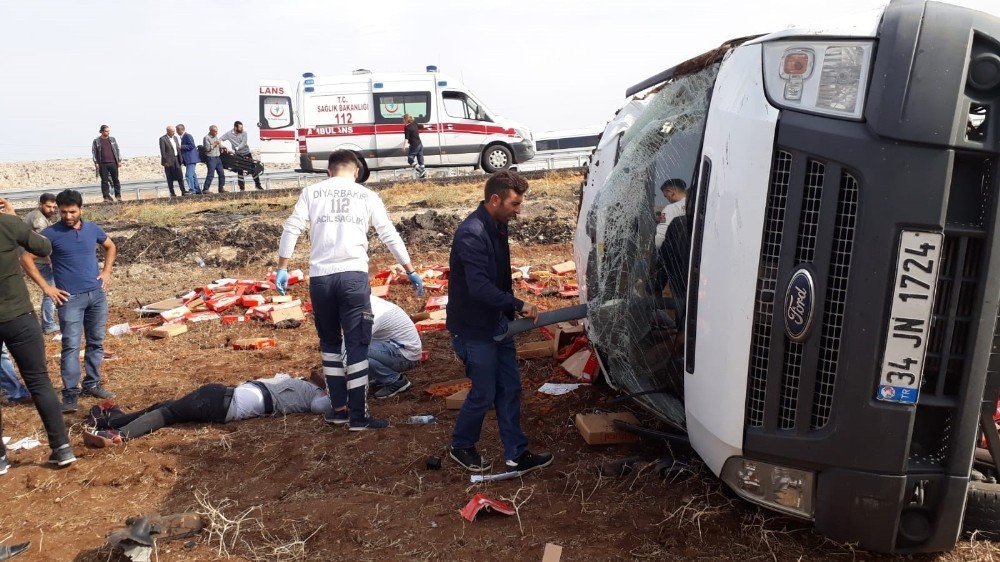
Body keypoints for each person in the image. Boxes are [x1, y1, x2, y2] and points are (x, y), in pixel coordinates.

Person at [276, 150, 424, 430]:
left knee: (331, 346)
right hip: (353, 277)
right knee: (356, 346)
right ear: (356, 172)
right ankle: (358, 416)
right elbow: (388, 233)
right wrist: (410, 269)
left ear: (329, 171)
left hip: (321, 278)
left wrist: (282, 266)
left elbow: (292, 227)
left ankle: (339, 409)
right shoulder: (366, 196)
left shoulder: (312, 192)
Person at [446, 170, 552, 474]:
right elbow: (479, 287)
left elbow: (498, 278)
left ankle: (516, 453)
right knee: (484, 392)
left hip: (498, 323)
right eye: (514, 204)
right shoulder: (473, 233)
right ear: (495, 199)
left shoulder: (497, 225)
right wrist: (518, 303)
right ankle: (461, 445)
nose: (518, 211)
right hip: (474, 328)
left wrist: (509, 307)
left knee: (510, 387)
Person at [20, 189, 116, 413]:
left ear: (81, 209)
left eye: (72, 211)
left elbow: (110, 246)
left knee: (95, 342)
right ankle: (70, 393)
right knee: (71, 346)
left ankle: (92, 383)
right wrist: (47, 287)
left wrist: (107, 271)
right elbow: (26, 258)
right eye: (63, 212)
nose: (68, 216)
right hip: (69, 299)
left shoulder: (92, 229)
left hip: (96, 295)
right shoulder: (50, 233)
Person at [0, 196, 77, 471]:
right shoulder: (7, 225)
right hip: (19, 316)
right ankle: (62, 447)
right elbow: (44, 246)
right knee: (39, 382)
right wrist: (13, 219)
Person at [82, 373, 333, 447]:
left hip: (219, 399)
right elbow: (319, 398)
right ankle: (114, 428)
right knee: (167, 410)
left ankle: (114, 428)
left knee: (167, 410)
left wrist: (333, 393)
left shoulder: (309, 392)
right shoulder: (302, 386)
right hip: (219, 400)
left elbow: (321, 404)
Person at [368, 295, 422, 399]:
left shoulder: (372, 313)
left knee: (357, 352)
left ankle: (396, 381)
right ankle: (381, 377)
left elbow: (356, 343)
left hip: (406, 356)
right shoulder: (368, 301)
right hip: (397, 349)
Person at [22, 193, 59, 334]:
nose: (52, 210)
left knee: (49, 290)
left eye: (54, 207)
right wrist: (51, 261)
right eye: (48, 206)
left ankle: (48, 322)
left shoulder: (37, 215)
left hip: (34, 258)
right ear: (40, 204)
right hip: (38, 260)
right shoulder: (39, 219)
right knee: (50, 290)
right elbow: (43, 244)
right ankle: (48, 324)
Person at [221, 121, 263, 191]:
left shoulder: (244, 133)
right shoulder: (228, 134)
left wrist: (236, 148)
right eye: (240, 127)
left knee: (253, 169)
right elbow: (220, 139)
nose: (241, 129)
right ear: (235, 127)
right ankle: (242, 188)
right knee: (240, 171)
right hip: (238, 155)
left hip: (246, 153)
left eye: (242, 127)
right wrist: (223, 147)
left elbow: (244, 143)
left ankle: (258, 185)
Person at [91, 125, 122, 202]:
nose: (107, 133)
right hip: (102, 164)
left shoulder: (112, 139)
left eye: (108, 131)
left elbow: (117, 150)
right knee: (104, 181)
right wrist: (96, 162)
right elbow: (94, 152)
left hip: (113, 162)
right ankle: (106, 197)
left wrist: (119, 161)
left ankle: (118, 196)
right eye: (106, 131)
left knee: (116, 180)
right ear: (101, 131)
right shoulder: (96, 141)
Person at [654, 178, 687, 250]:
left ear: (670, 192)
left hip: (676, 255)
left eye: (666, 196)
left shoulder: (671, 208)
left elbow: (660, 238)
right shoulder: (695, 205)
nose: (667, 199)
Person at [158, 125, 187, 197]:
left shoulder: (175, 138)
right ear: (168, 131)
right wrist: (165, 162)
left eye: (174, 131)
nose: (174, 133)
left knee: (180, 176)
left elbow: (178, 149)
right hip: (168, 161)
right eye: (172, 131)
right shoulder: (162, 139)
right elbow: (163, 151)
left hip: (176, 159)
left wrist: (181, 160)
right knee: (169, 178)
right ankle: (172, 193)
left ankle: (183, 191)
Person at [177, 124, 201, 195]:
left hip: (191, 159)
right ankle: (197, 190)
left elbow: (192, 145)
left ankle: (192, 190)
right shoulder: (183, 137)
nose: (176, 132)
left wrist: (181, 147)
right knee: (193, 175)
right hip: (189, 159)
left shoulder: (187, 136)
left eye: (177, 130)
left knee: (188, 175)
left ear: (181, 129)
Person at [203, 125, 227, 193]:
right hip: (210, 158)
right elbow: (207, 149)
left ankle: (221, 188)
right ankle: (205, 189)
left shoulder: (216, 137)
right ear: (211, 131)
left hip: (217, 157)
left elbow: (219, 145)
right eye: (215, 131)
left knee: (221, 173)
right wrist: (214, 144)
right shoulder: (206, 138)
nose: (217, 133)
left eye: (217, 131)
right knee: (211, 174)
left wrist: (224, 147)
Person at [403, 114, 427, 179]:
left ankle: (421, 170)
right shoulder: (414, 123)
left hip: (414, 145)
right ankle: (423, 176)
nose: (403, 121)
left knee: (410, 159)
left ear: (406, 120)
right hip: (420, 144)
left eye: (403, 119)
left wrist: (404, 146)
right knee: (420, 161)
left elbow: (406, 138)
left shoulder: (407, 127)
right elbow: (422, 126)